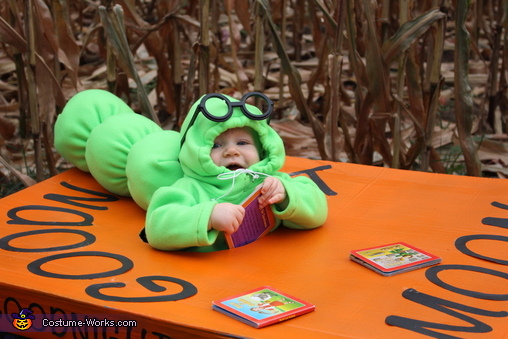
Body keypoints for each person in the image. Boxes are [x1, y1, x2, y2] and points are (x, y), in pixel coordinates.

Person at [144, 92, 328, 251]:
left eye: (243, 143)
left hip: (263, 268)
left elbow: (319, 210)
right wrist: (208, 216)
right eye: (216, 145)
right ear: (196, 151)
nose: (231, 151)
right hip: (205, 277)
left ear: (262, 149)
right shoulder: (190, 187)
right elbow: (156, 227)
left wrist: (287, 194)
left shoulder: (271, 181)